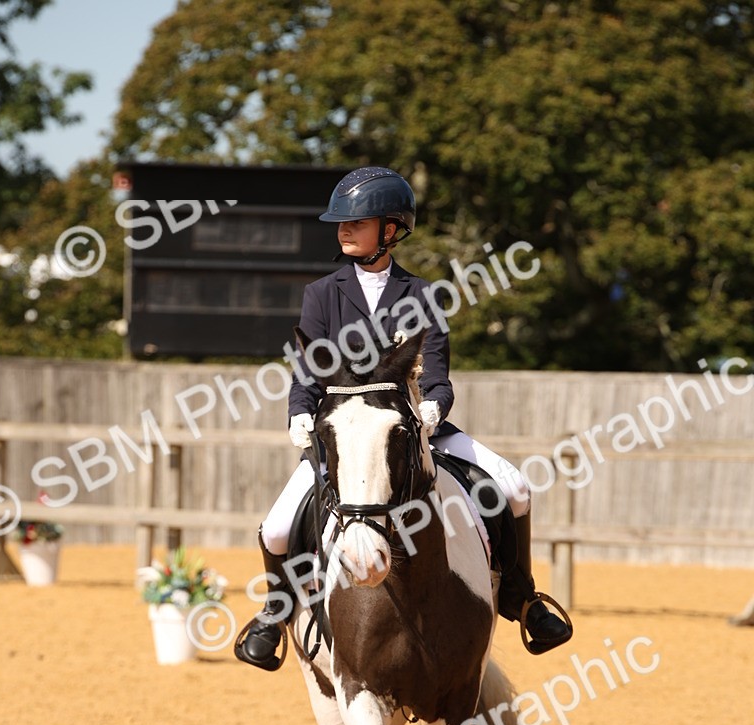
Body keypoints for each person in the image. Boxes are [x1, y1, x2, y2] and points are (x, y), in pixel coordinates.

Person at [236, 166, 573, 671]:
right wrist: (299, 413)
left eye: (358, 222)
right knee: (278, 529)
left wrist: (434, 407)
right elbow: (308, 372)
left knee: (517, 488)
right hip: (346, 439)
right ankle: (273, 614)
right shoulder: (322, 295)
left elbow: (438, 377)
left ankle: (522, 601)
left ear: (390, 230)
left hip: (416, 432)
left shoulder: (422, 296)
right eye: (341, 224)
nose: (344, 230)